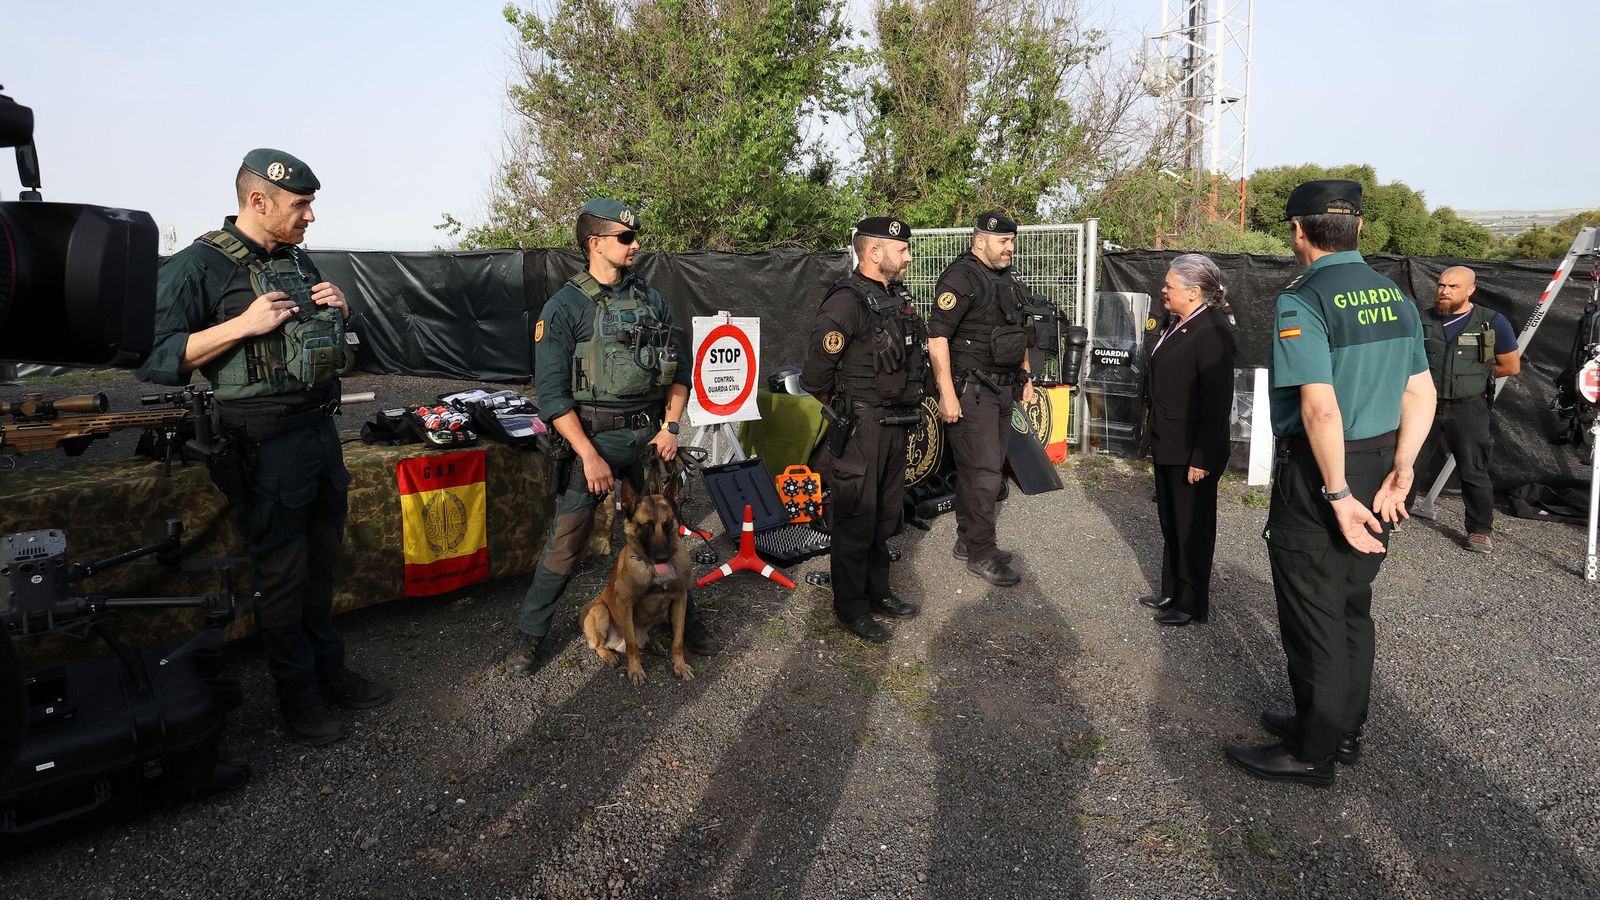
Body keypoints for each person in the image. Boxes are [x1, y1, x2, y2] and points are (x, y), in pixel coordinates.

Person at [137, 149, 391, 746]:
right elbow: (151, 359)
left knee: (323, 564)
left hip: (319, 434)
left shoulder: (297, 263)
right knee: (281, 574)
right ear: (259, 201)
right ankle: (297, 699)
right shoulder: (197, 266)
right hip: (263, 443)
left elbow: (338, 350)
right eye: (300, 204)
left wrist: (343, 316)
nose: (309, 217)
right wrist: (240, 326)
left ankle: (331, 673)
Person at [1224, 179, 1436, 786]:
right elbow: (1420, 391)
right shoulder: (1395, 297)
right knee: (1350, 605)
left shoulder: (1304, 299)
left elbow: (1319, 410)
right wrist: (1402, 469)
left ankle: (1311, 751)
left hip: (1325, 471)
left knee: (1313, 610)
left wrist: (1338, 494)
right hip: (1379, 465)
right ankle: (1342, 732)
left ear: (1298, 231)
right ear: (1359, 229)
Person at [508, 198, 716, 673]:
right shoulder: (563, 308)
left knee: (667, 535)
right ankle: (531, 635)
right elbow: (554, 397)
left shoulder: (650, 299)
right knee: (566, 542)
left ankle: (690, 620)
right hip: (592, 443)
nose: (635, 245)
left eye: (635, 236)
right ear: (595, 244)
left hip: (649, 440)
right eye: (625, 238)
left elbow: (680, 369)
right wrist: (587, 455)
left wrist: (670, 426)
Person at [800, 216, 927, 643]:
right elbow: (814, 377)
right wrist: (847, 412)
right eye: (902, 249)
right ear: (874, 252)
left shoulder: (897, 296)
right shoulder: (846, 302)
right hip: (861, 428)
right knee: (855, 519)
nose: (908, 256)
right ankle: (850, 607)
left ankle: (879, 592)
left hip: (895, 426)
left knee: (885, 515)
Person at [927, 210, 1037, 587]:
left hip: (1004, 388)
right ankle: (981, 553)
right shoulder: (960, 278)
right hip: (971, 392)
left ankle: (966, 540)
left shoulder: (1008, 277)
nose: (1010, 248)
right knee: (985, 475)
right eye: (1003, 241)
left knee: (983, 472)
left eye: (1012, 241)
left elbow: (1019, 329)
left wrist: (1026, 376)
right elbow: (937, 337)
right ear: (980, 240)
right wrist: (946, 395)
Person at [1138, 253, 1237, 626]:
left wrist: (1203, 456)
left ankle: (1192, 602)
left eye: (1169, 286)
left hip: (1192, 448)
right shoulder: (1180, 323)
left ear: (1194, 291)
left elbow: (1216, 402)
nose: (1162, 290)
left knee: (1193, 527)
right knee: (1171, 522)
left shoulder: (1212, 329)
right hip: (1169, 441)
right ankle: (1172, 590)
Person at [1414, 266, 1520, 552]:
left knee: (1473, 469)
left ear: (1470, 290)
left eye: (1453, 287)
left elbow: (1510, 365)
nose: (1445, 291)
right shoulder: (1421, 320)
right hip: (1424, 405)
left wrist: (1472, 377)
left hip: (1468, 407)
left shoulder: (1492, 322)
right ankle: (1393, 514)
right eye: (1441, 285)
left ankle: (1479, 530)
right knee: (1408, 463)